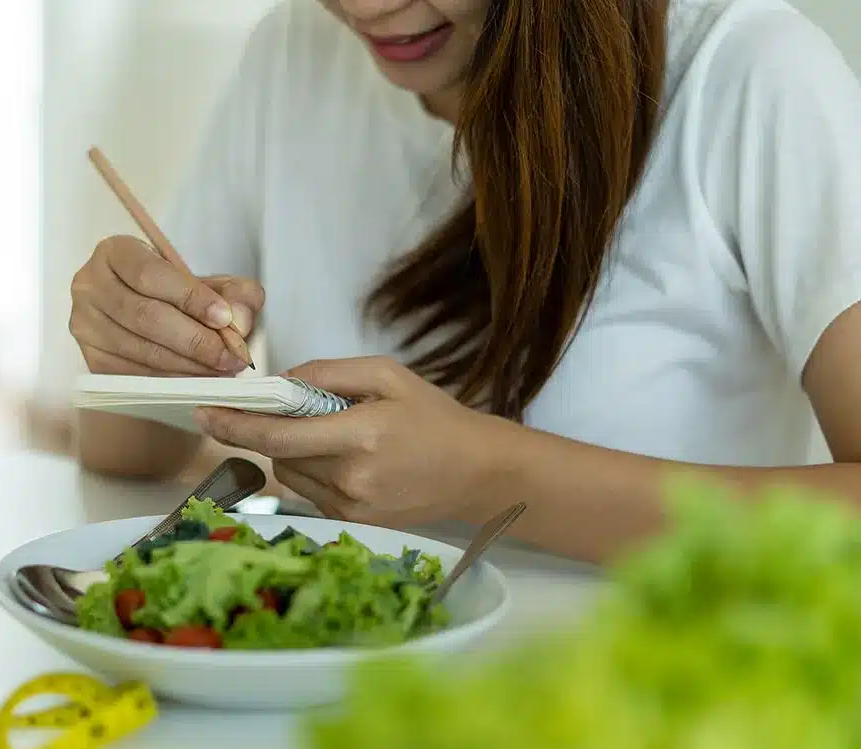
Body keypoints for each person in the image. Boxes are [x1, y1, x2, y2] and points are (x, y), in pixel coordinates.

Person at [69, 0, 861, 564]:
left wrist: (493, 477)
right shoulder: (292, 50)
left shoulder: (752, 76)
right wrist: (133, 344)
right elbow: (129, 453)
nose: (367, 9)